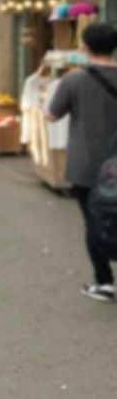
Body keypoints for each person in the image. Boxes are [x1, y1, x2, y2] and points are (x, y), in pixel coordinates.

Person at [46, 22, 117, 302]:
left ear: (85, 47)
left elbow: (51, 115)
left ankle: (104, 281)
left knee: (95, 222)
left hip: (88, 167)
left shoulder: (73, 80)